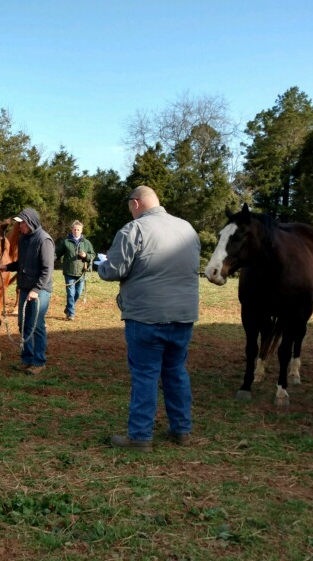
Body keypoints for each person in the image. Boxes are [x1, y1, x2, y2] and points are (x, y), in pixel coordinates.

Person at [96, 186, 201, 452]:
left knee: (145, 374)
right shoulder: (187, 229)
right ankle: (181, 429)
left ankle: (141, 436)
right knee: (176, 371)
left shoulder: (134, 230)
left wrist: (102, 265)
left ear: (136, 203)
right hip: (183, 315)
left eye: (130, 207)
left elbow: (114, 270)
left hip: (147, 316)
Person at [4, 208, 54, 375]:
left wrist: (37, 289)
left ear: (31, 221)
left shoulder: (44, 240)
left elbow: (47, 270)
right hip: (25, 288)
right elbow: (21, 263)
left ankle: (39, 362)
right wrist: (6, 267)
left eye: (22, 223)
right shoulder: (24, 239)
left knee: (36, 325)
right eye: (19, 224)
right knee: (23, 324)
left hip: (40, 291)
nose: (19, 227)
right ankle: (27, 359)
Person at [54, 220, 96, 321]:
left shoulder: (86, 243)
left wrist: (86, 256)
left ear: (81, 230)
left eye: (78, 230)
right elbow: (57, 253)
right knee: (71, 293)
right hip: (69, 272)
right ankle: (71, 314)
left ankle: (68, 308)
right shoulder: (65, 241)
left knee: (78, 293)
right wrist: (50, 259)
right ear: (71, 230)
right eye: (74, 229)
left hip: (81, 272)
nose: (76, 231)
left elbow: (93, 255)